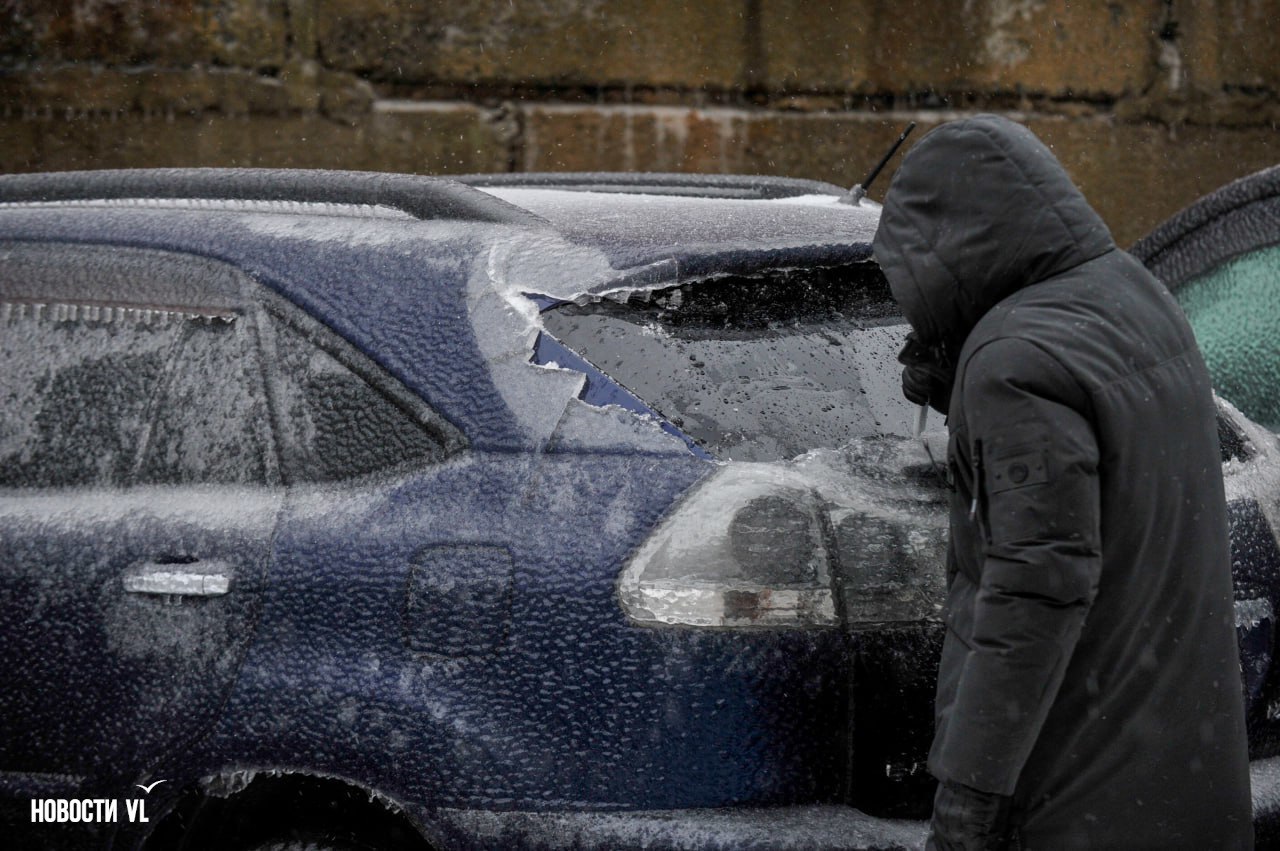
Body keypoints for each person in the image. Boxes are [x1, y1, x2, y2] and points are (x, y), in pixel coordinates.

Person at [871, 114, 1252, 849]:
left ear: (948, 246)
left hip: (1070, 798)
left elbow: (1033, 594)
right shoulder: (1136, 297)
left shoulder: (1013, 363)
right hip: (1181, 779)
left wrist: (966, 800)